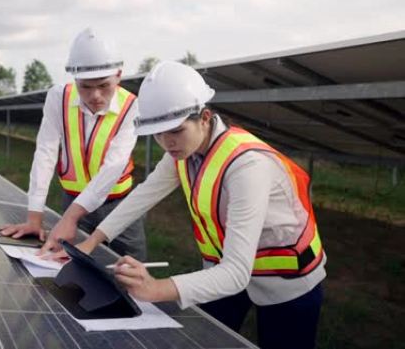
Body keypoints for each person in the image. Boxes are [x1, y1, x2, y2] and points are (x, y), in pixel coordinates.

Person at [57, 60, 327, 349]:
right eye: (158, 134)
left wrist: (156, 288)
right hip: (222, 273)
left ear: (205, 117)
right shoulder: (183, 152)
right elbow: (144, 195)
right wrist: (93, 241)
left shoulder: (247, 167)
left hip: (287, 280)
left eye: (175, 130)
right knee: (208, 340)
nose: (167, 142)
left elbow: (237, 272)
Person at [0, 28, 147, 261]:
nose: (95, 95)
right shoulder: (58, 98)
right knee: (69, 263)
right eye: (85, 86)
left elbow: (112, 168)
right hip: (73, 199)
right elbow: (46, 153)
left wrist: (69, 219)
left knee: (131, 265)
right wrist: (34, 217)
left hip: (119, 204)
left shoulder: (132, 107)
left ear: (118, 75)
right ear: (75, 79)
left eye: (103, 85)